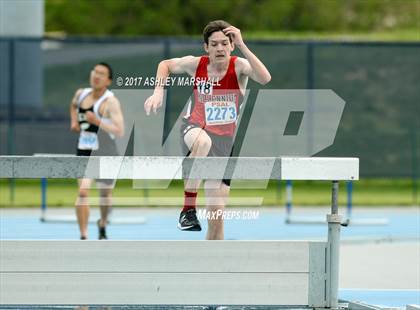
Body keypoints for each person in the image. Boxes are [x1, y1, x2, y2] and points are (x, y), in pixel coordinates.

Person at [144, 20, 271, 240]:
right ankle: (188, 210)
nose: (220, 48)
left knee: (216, 217)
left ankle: (214, 268)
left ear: (231, 45)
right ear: (206, 48)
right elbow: (165, 64)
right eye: (214, 44)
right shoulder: (196, 65)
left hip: (224, 144)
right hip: (194, 129)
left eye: (225, 43)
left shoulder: (239, 66)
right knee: (203, 143)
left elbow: (265, 78)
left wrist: (243, 45)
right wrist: (158, 92)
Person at [70, 62, 124, 240]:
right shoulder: (81, 94)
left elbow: (119, 130)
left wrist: (96, 121)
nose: (97, 75)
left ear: (108, 81)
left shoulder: (111, 102)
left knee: (105, 195)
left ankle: (102, 222)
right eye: (95, 71)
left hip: (106, 152)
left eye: (101, 74)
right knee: (83, 192)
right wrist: (74, 122)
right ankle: (84, 235)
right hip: (84, 149)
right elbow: (73, 105)